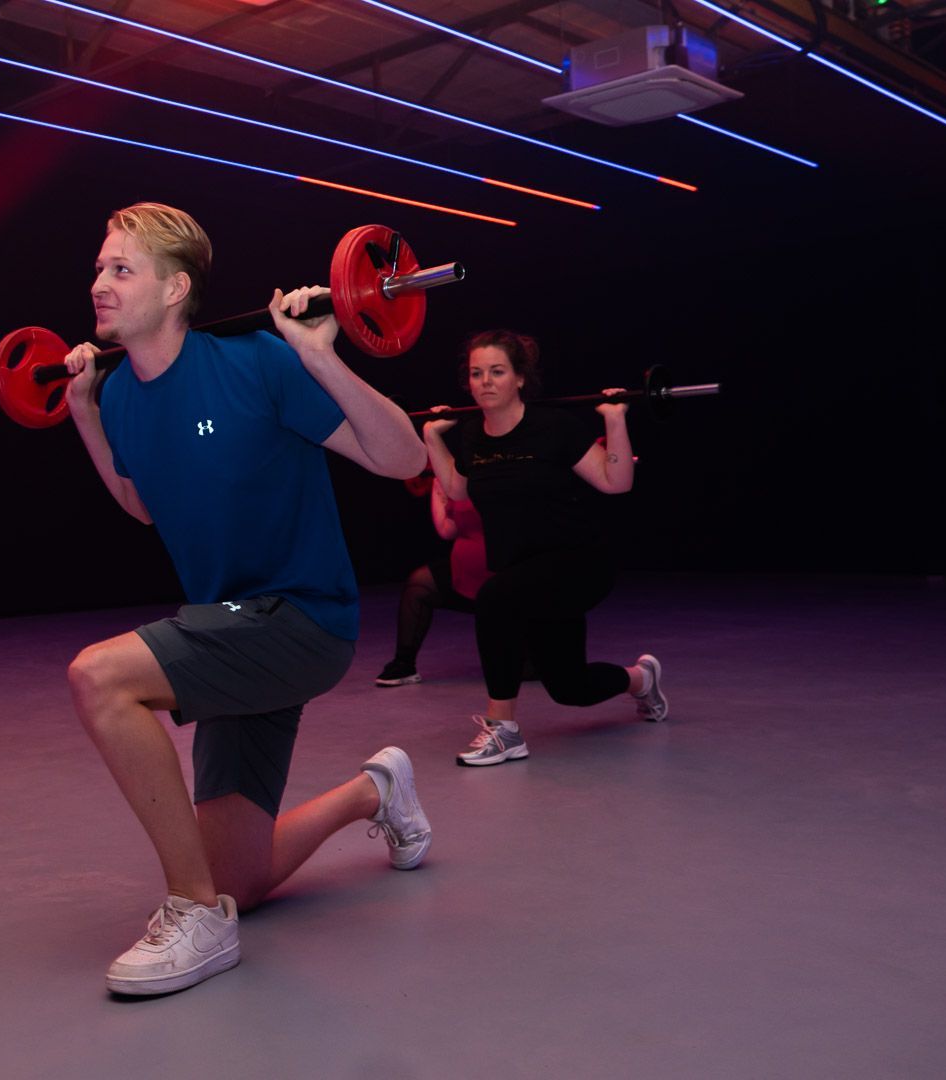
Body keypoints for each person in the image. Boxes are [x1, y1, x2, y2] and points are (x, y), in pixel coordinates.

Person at [60, 204, 433, 997]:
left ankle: (195, 916)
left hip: (303, 618)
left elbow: (402, 456)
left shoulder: (257, 362)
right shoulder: (123, 392)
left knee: (100, 676)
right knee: (245, 876)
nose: (99, 283)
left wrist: (320, 358)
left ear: (175, 290)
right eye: (99, 267)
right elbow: (141, 505)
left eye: (121, 269)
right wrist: (86, 414)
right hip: (232, 629)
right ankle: (378, 790)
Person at [421, 329, 669, 767]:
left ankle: (504, 732)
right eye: (477, 374)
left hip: (578, 562)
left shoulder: (554, 427)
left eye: (497, 371)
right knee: (569, 688)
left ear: (519, 378)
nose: (486, 382)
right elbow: (458, 489)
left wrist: (614, 418)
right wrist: (432, 438)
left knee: (495, 598)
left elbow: (617, 482)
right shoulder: (474, 436)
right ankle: (640, 678)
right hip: (525, 574)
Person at [373, 470, 488, 687]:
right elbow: (447, 530)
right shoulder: (458, 474)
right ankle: (403, 664)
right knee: (420, 585)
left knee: (526, 670)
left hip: (510, 573)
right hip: (467, 572)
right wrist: (439, 486)